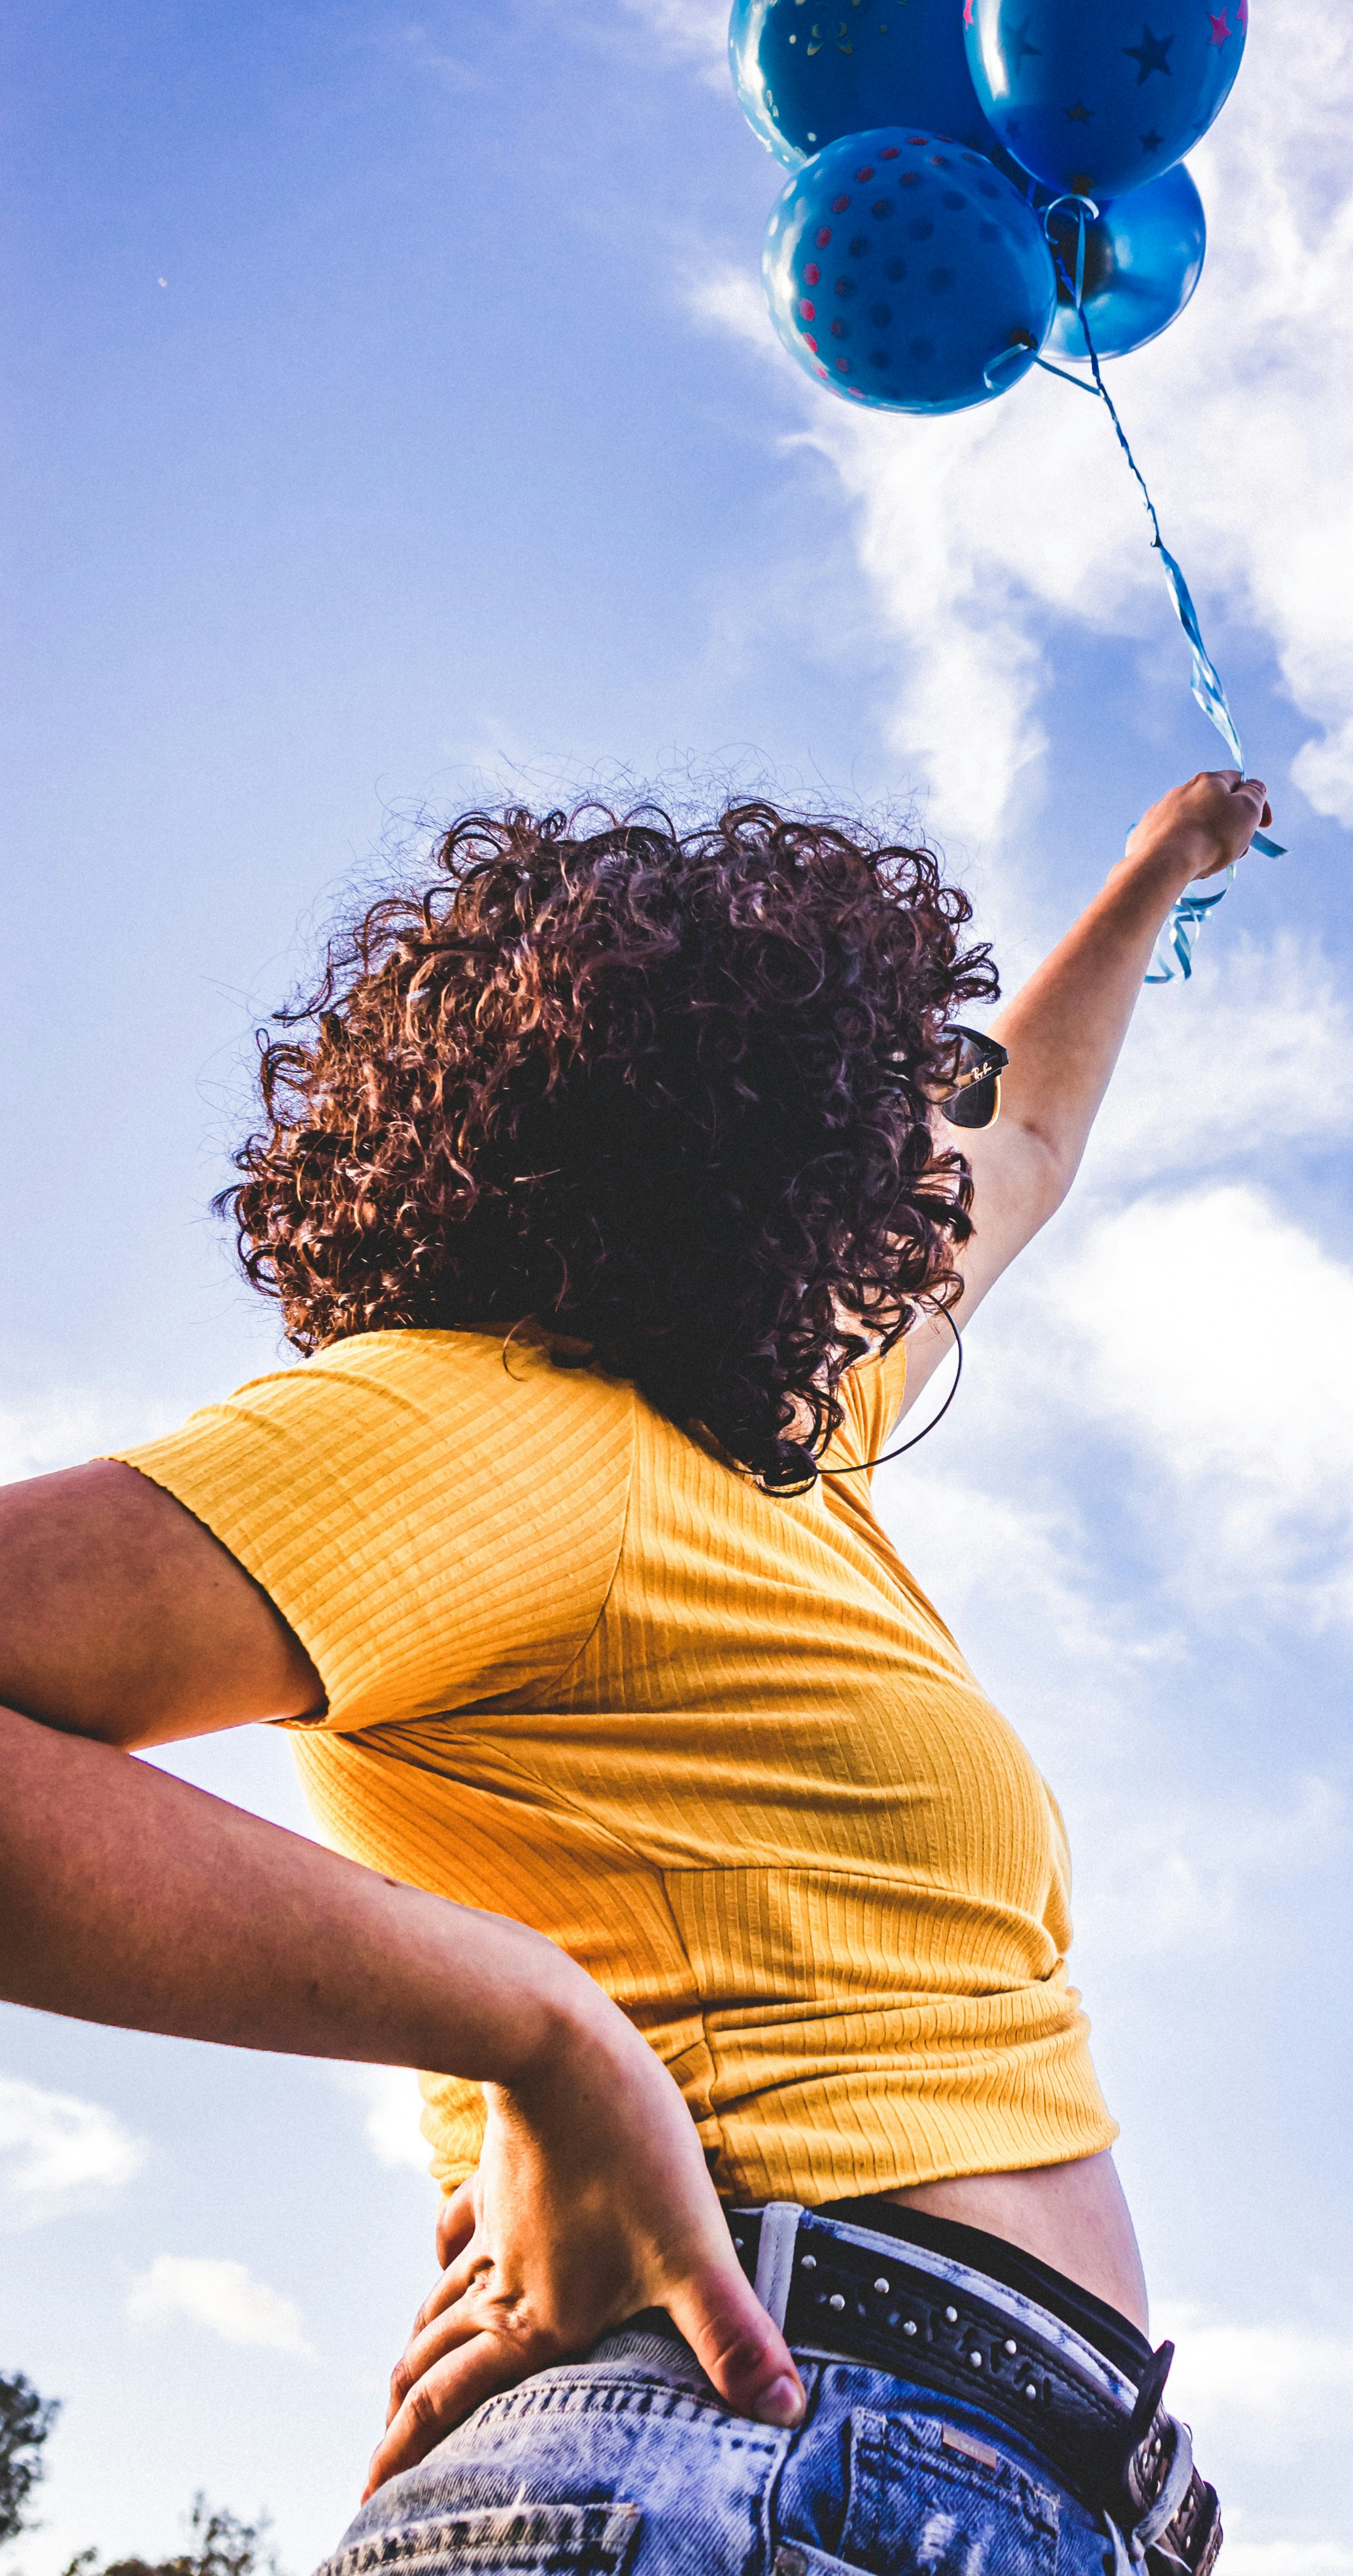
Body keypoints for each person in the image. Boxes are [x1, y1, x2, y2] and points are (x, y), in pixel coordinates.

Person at [0, 766, 1271, 2576]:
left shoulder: (792, 1435)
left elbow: (1037, 1152)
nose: (942, 1148)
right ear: (752, 1140)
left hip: (974, 2477)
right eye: (897, 1105)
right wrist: (531, 2023)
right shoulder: (491, 1420)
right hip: (762, 2455)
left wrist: (1158, 873)